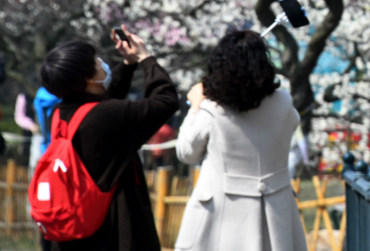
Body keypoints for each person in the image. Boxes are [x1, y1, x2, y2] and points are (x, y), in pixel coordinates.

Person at [39, 26, 179, 251]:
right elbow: (166, 101)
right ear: (88, 78)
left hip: (76, 230)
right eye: (96, 62)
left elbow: (102, 102)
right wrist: (146, 58)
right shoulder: (107, 115)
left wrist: (128, 64)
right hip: (113, 231)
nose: (102, 63)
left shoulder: (60, 113)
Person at [174, 31, 307, 251]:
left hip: (220, 214)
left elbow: (186, 153)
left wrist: (195, 106)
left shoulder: (211, 110)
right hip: (276, 214)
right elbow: (292, 123)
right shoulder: (284, 102)